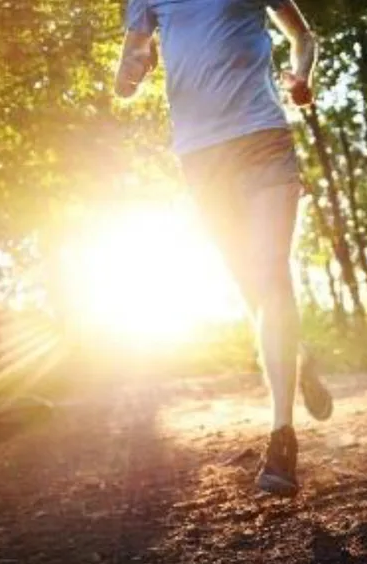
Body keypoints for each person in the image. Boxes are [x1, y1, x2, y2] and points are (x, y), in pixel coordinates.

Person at [114, 0, 332, 497]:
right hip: (199, 155)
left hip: (262, 138)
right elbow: (124, 80)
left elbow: (303, 36)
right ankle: (298, 355)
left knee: (271, 273)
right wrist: (133, 69)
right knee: (253, 290)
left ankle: (282, 439)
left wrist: (300, 78)